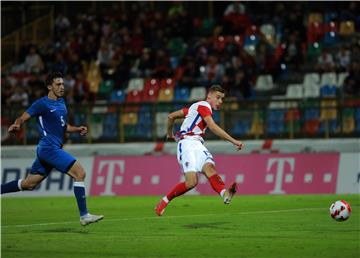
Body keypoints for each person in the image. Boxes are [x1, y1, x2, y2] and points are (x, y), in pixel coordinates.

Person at [1, 72, 103, 226]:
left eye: (62, 84)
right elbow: (23, 117)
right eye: (58, 84)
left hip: (49, 149)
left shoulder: (62, 103)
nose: (62, 87)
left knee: (29, 184)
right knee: (80, 173)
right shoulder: (41, 104)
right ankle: (84, 215)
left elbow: (63, 126)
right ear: (49, 86)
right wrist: (17, 124)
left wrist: (77, 129)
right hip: (48, 147)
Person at [155, 85, 244, 216]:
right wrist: (234, 141)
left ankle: (225, 194)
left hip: (197, 144)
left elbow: (171, 116)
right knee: (192, 182)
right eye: (218, 98)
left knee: (210, 168)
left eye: (222, 99)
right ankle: (164, 200)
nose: (220, 102)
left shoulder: (193, 108)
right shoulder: (204, 105)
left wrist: (169, 134)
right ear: (209, 96)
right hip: (187, 144)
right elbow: (213, 126)